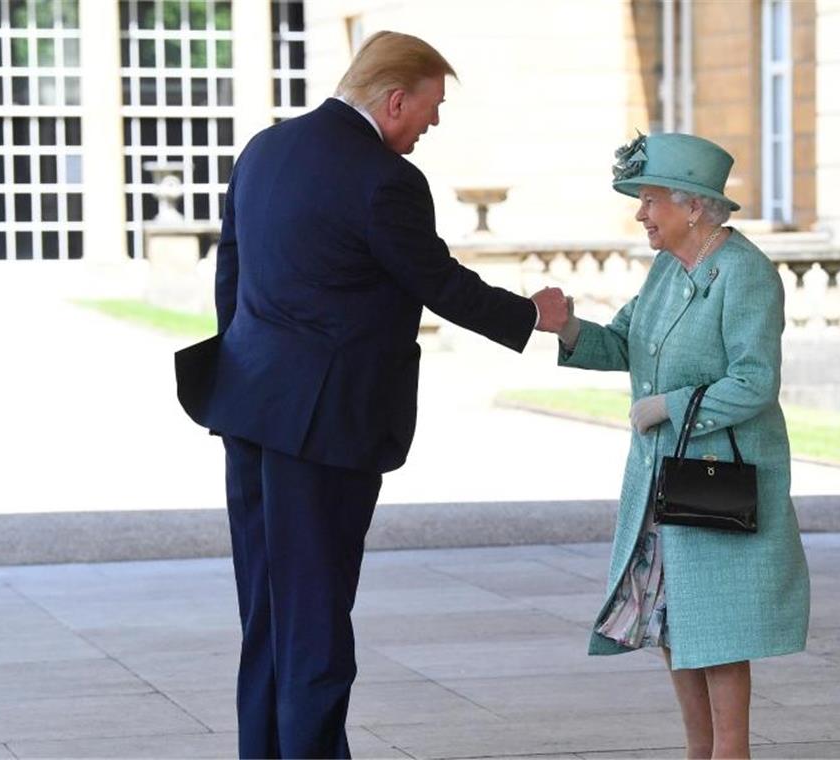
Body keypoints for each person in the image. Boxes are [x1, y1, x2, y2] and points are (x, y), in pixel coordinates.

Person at [174, 31, 569, 759]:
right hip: (324, 429)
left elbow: (230, 278)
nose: (434, 123)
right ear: (395, 99)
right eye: (431, 107)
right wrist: (530, 314)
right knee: (317, 616)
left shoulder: (264, 150)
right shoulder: (384, 178)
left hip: (249, 410)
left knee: (267, 611)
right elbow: (438, 282)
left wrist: (252, 370)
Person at [545, 132, 810, 759]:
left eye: (650, 200)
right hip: (665, 477)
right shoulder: (668, 270)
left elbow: (754, 382)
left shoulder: (745, 273)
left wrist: (670, 406)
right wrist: (567, 327)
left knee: (721, 628)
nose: (640, 214)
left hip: (720, 474)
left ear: (693, 206)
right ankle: (700, 753)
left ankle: (730, 753)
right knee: (674, 620)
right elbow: (621, 343)